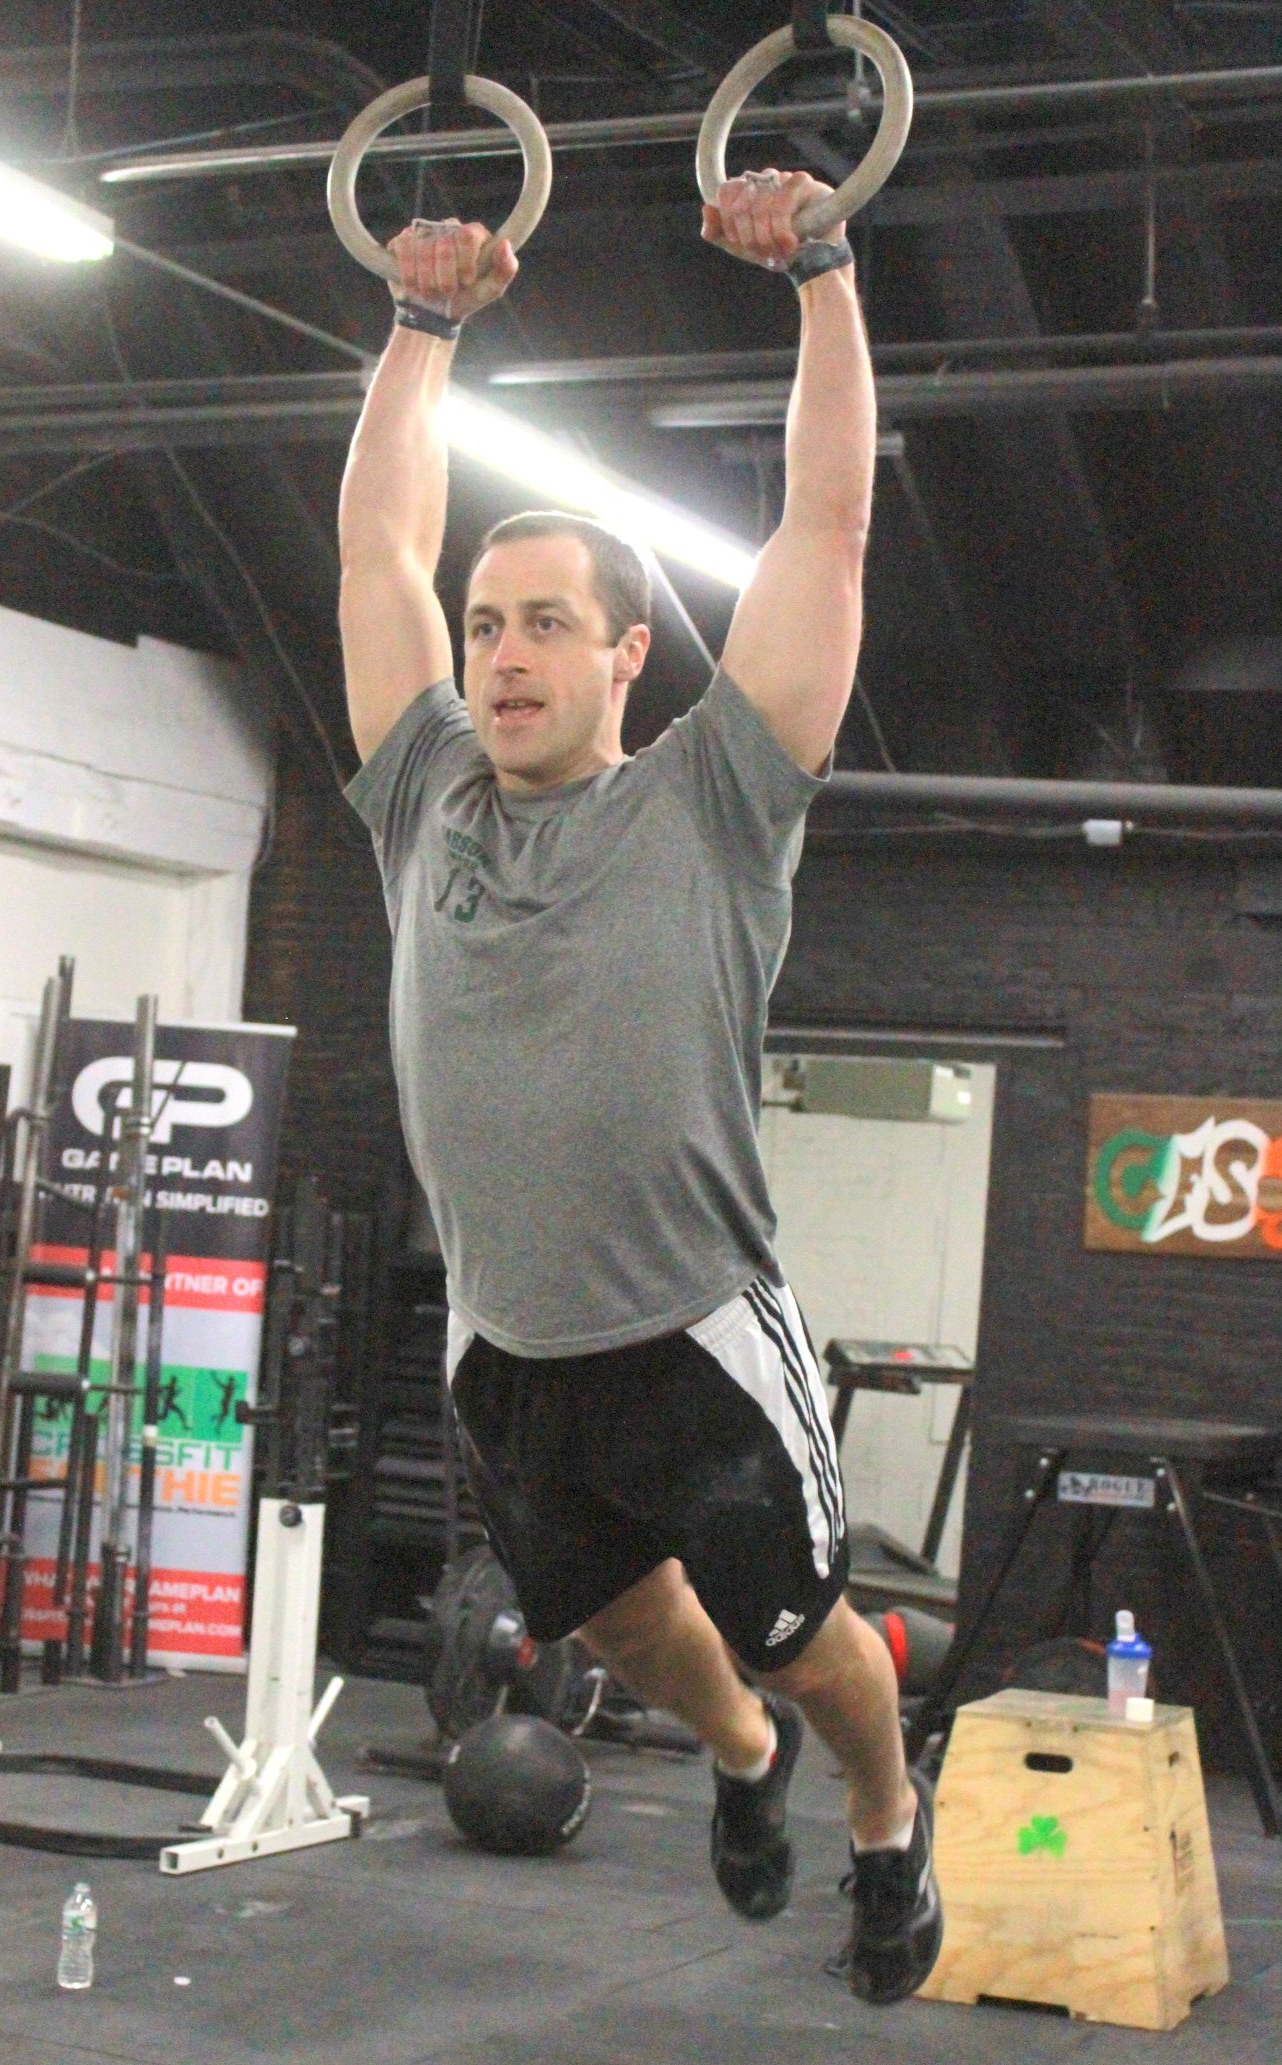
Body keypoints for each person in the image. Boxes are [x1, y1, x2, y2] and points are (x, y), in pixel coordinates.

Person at [338, 166, 941, 2005]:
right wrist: (419, 326)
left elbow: (826, 523)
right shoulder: (423, 799)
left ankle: (881, 1813)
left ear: (625, 653)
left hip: (691, 1333)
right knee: (612, 1621)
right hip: (506, 1343)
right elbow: (374, 551)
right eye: (485, 624)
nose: (501, 653)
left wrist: (823, 274)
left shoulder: (714, 799)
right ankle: (742, 1764)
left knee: (808, 1644)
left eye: (544, 622)